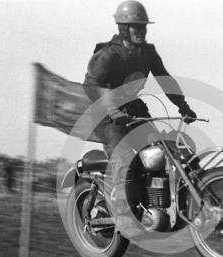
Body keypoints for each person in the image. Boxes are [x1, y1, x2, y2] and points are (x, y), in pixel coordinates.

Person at [83, 0, 197, 158]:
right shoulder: (109, 55)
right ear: (124, 28)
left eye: (143, 26)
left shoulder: (148, 53)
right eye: (136, 27)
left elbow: (165, 80)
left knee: (159, 154)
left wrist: (182, 106)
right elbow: (90, 85)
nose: (141, 31)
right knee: (125, 161)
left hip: (133, 111)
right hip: (107, 117)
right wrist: (111, 109)